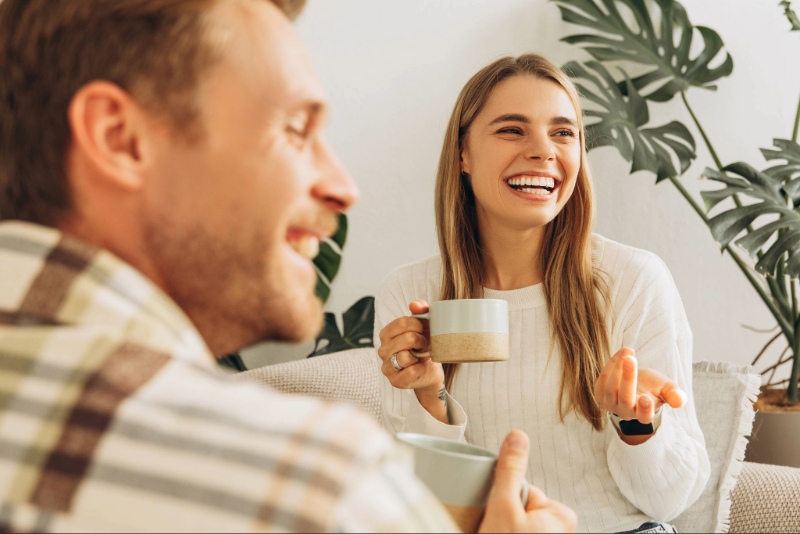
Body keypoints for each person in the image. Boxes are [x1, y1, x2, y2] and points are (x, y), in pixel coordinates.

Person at [0, 2, 578, 532]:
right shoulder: (316, 485)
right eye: (296, 130)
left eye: (563, 133)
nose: (342, 186)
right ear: (119, 138)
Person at [374, 53, 711, 534]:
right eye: (512, 130)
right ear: (462, 154)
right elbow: (418, 505)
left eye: (563, 132)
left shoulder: (632, 280)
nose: (543, 150)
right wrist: (432, 397)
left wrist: (636, 424)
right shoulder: (409, 293)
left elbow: (670, 501)